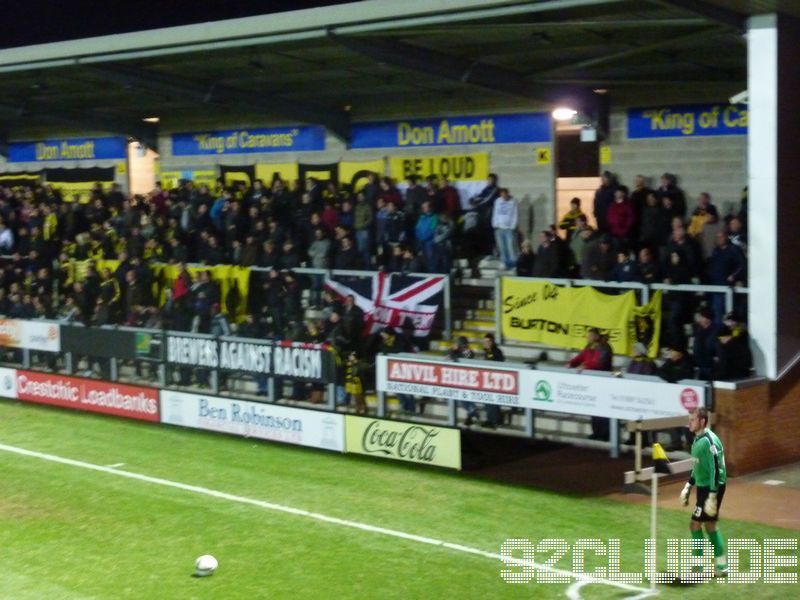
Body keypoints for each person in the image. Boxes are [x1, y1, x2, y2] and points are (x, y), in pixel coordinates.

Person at [680, 407, 728, 577]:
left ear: (702, 421)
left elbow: (715, 468)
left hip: (711, 487)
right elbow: (698, 466)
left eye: (692, 419)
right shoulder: (699, 439)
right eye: (689, 419)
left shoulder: (708, 441)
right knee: (710, 525)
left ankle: (698, 569)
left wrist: (713, 495)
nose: (689, 422)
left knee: (695, 524)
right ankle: (722, 567)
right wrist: (688, 485)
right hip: (705, 486)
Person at [567, 327, 612, 439]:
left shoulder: (604, 347)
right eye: (588, 336)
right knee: (594, 407)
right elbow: (581, 357)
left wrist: (585, 366)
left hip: (603, 381)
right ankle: (596, 432)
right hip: (592, 381)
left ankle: (605, 434)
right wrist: (571, 363)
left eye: (590, 336)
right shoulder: (589, 347)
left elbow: (600, 363)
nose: (588, 338)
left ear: (596, 336)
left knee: (603, 408)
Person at [481, 333, 505, 428]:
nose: (486, 343)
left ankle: (495, 420)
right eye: (485, 341)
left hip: (495, 379)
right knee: (487, 400)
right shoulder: (487, 351)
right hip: (488, 379)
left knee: (492, 401)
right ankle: (490, 419)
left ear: (492, 342)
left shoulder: (496, 351)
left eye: (488, 341)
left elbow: (495, 362)